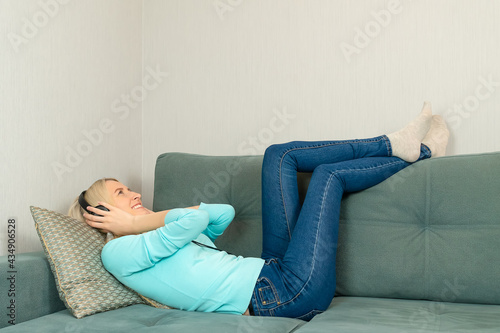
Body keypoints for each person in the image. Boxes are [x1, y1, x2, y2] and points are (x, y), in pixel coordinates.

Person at [71, 102, 449, 321]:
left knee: (279, 156)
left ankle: (392, 143)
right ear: (105, 211)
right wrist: (137, 222)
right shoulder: (116, 253)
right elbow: (196, 219)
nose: (135, 193)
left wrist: (140, 220)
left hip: (273, 268)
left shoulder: (151, 233)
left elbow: (222, 213)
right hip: (283, 296)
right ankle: (421, 154)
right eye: (122, 192)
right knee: (327, 177)